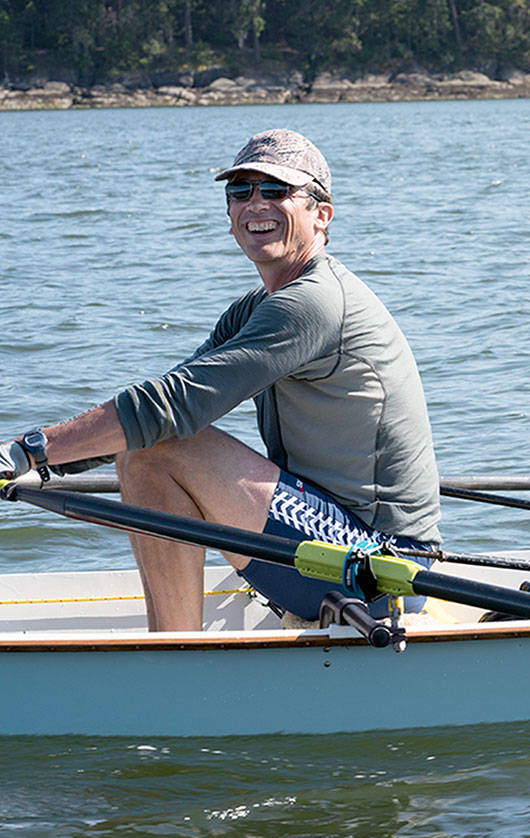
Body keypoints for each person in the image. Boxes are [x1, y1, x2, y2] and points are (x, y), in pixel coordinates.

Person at [0, 129, 441, 629]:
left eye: (275, 191)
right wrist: (43, 464)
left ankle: (176, 654)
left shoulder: (312, 303)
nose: (256, 204)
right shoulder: (257, 308)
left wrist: (26, 452)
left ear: (322, 215)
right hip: (326, 535)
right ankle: (174, 646)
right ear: (230, 216)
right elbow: (164, 406)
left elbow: (170, 409)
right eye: (240, 191)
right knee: (146, 449)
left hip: (385, 567)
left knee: (157, 446)